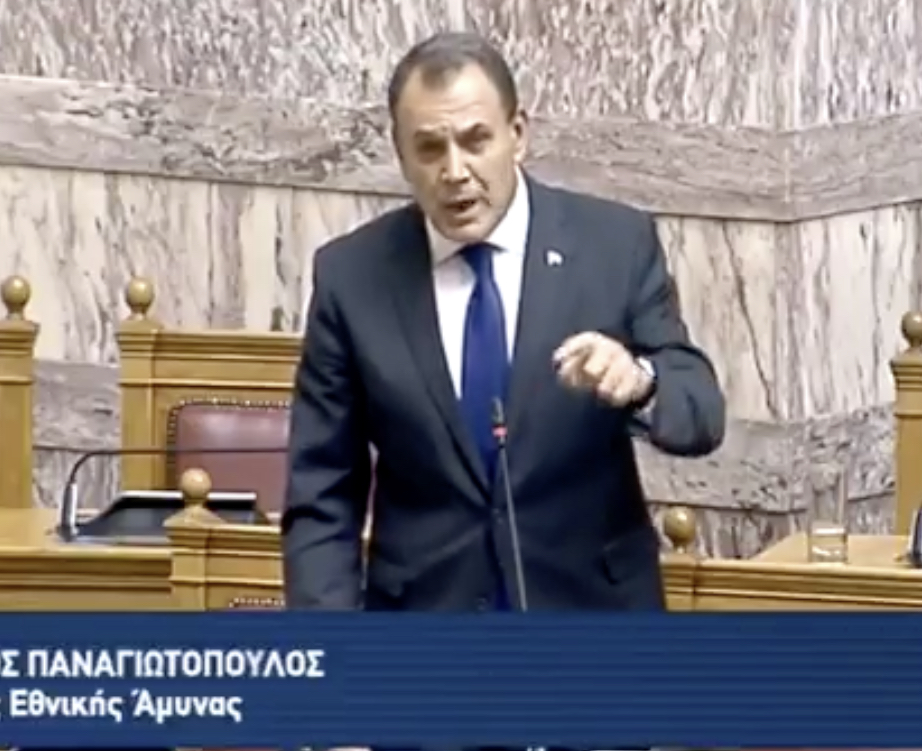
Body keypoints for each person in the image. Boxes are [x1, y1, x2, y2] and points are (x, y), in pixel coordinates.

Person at [282, 31, 725, 614]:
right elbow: (322, 493)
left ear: (518, 134)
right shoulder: (352, 276)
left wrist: (641, 380)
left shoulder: (613, 245)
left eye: (475, 140)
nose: (455, 171)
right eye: (430, 149)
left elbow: (701, 412)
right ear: (400, 153)